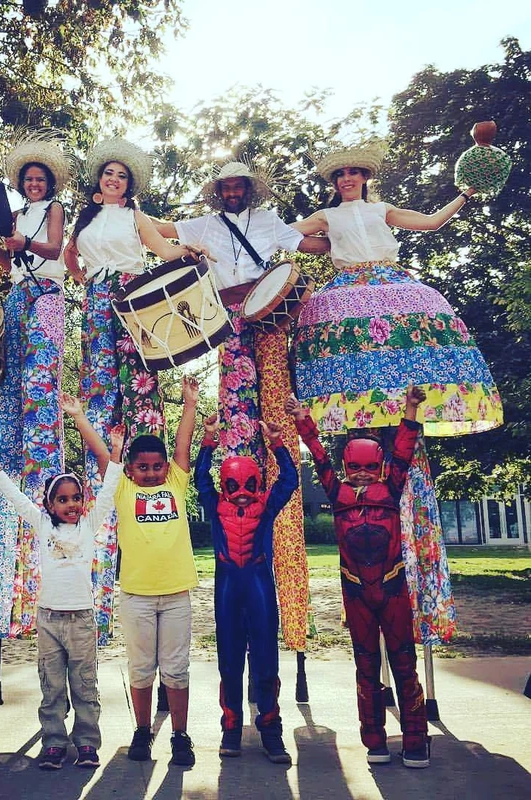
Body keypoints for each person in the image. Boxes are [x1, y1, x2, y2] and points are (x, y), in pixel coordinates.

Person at [291, 140, 503, 644]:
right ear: (333, 180)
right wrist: (317, 244)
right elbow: (283, 237)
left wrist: (465, 195)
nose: (346, 178)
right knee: (356, 402)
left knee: (404, 394)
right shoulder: (325, 215)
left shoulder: (382, 209)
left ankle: (404, 430)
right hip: (344, 300)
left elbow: (429, 222)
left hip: (394, 296)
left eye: (352, 172)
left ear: (364, 176)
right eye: (339, 173)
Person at [155, 161, 328, 658]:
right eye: (225, 186)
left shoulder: (270, 220)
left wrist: (336, 225)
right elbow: (161, 233)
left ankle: (290, 609)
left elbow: (307, 245)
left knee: (274, 419)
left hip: (269, 314)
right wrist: (136, 221)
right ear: (218, 191)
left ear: (248, 189)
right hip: (227, 316)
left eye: (238, 186)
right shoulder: (204, 224)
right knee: (234, 415)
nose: (232, 192)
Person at [63, 138, 207, 646]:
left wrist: (186, 252)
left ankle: (151, 476)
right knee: (99, 394)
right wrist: (86, 280)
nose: (114, 181)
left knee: (141, 387)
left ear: (129, 184)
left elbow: (164, 250)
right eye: (109, 175)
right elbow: (70, 261)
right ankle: (104, 482)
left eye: (123, 177)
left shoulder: (134, 216)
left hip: (132, 294)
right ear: (99, 180)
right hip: (95, 299)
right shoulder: (83, 221)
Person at [286, 385, 431, 768]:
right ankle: (375, 741)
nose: (363, 475)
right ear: (347, 467)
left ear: (381, 467)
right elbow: (318, 459)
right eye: (356, 468)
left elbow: (403, 450)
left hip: (393, 587)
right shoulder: (338, 493)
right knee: (366, 667)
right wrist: (304, 423)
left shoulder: (391, 487)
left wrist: (411, 409)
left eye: (370, 467)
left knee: (403, 662)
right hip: (357, 591)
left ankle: (416, 739)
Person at [0, 131, 74, 705]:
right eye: (29, 179)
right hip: (17, 299)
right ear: (20, 182)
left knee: (41, 405)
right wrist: (0, 243)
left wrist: (22, 241)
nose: (34, 184)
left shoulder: (52, 213)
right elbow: (5, 258)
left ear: (50, 183)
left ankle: (49, 507)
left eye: (40, 179)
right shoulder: (14, 213)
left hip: (48, 300)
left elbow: (55, 251)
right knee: (6, 400)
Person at [0, 395, 124, 770]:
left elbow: (110, 492)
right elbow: (15, 498)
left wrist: (114, 453)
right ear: (49, 505)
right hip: (49, 619)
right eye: (63, 499)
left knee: (84, 685)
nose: (71, 504)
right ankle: (53, 742)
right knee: (51, 686)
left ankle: (87, 743)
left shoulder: (89, 525)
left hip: (81, 619)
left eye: (76, 498)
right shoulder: (42, 523)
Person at [102, 375, 200, 767]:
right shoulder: (123, 490)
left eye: (157, 467)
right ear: (129, 470)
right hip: (137, 596)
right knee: (141, 667)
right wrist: (107, 442)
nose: (152, 473)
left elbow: (183, 445)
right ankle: (142, 732)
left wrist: (189, 404)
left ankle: (180, 734)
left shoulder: (176, 482)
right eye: (143, 467)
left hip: (176, 594)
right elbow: (101, 455)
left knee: (176, 668)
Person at [194, 413, 298, 762]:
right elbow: (200, 479)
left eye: (248, 486)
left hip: (258, 586)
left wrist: (278, 444)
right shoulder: (215, 505)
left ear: (257, 483)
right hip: (228, 589)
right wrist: (208, 440)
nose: (241, 495)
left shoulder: (267, 505)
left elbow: (290, 480)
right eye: (233, 487)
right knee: (230, 661)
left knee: (266, 660)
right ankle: (232, 726)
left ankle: (270, 728)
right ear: (224, 486)